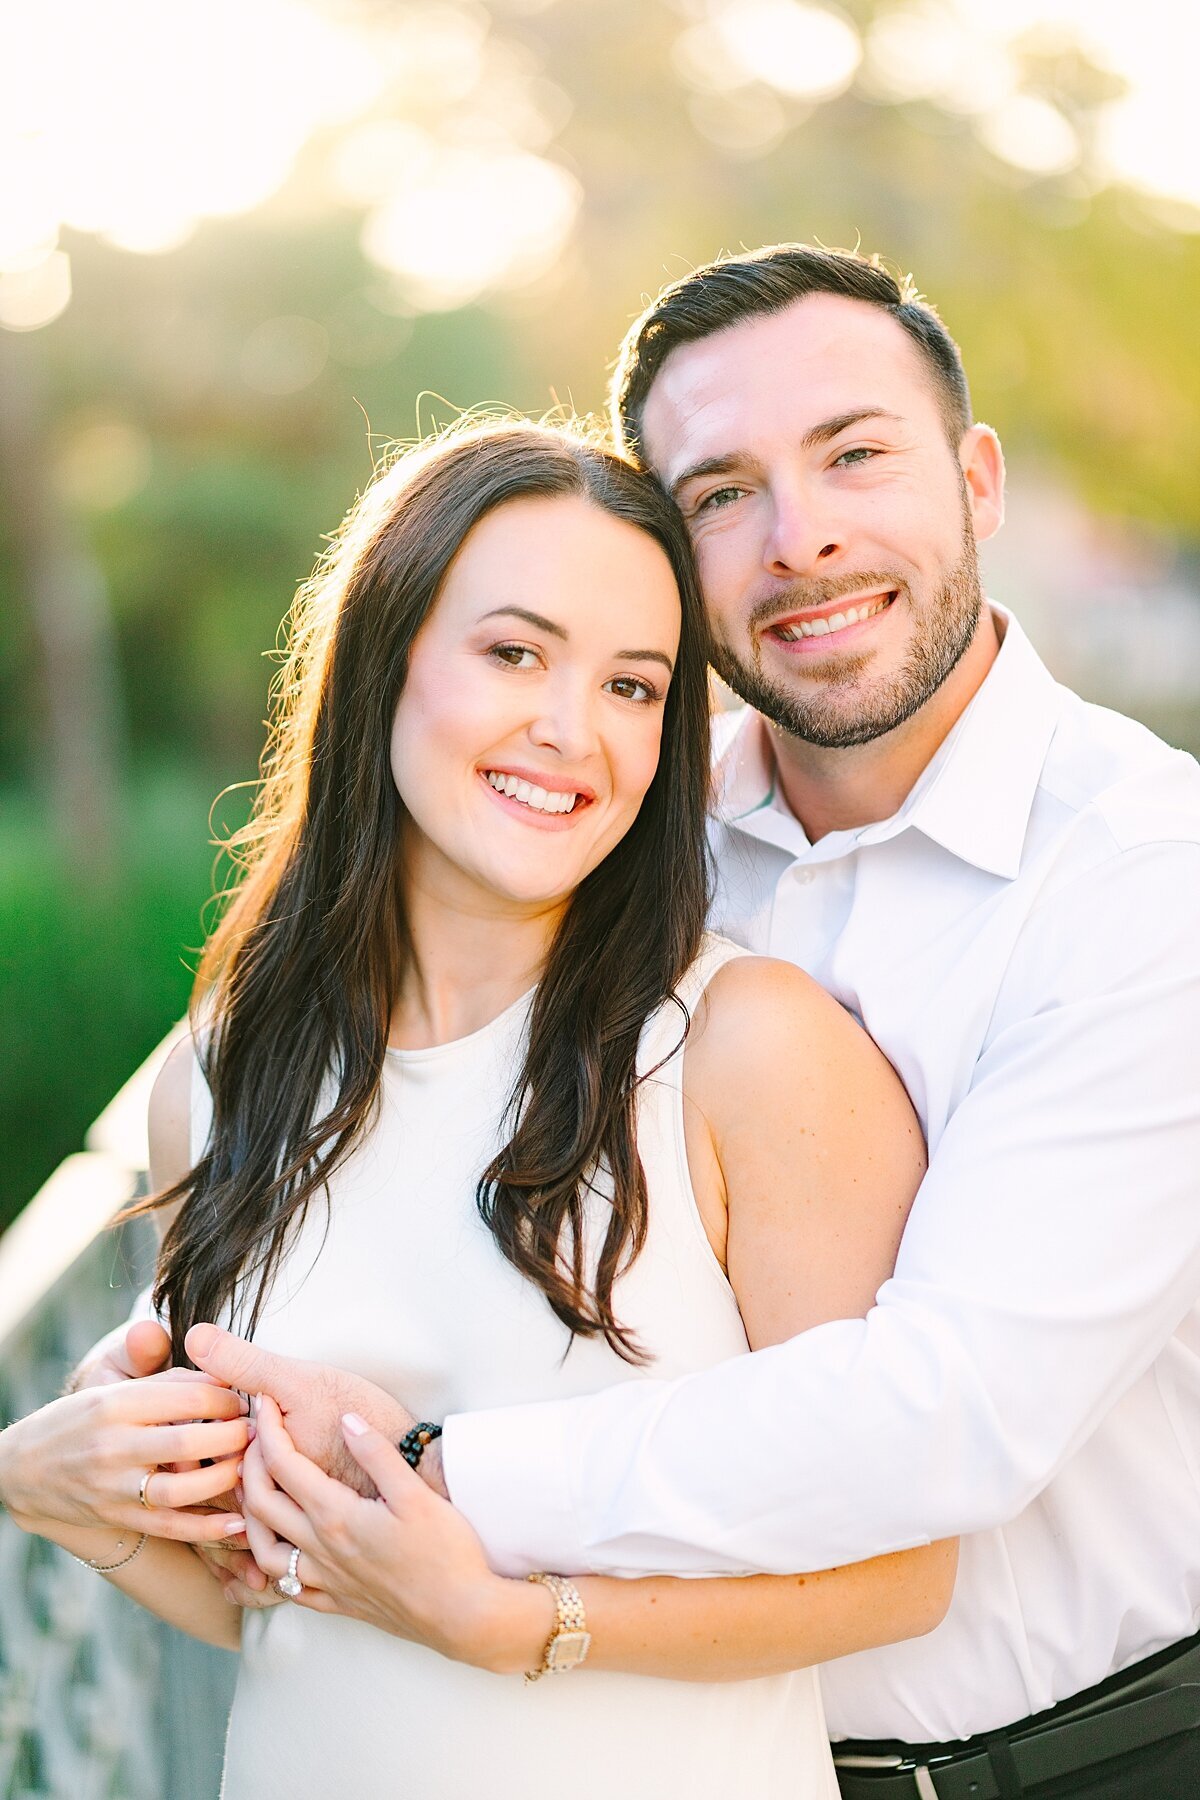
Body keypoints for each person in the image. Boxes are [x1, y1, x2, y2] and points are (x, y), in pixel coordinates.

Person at [126, 245, 1200, 1797]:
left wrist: (427, 1482)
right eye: (721, 494)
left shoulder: (1146, 879)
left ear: (977, 479)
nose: (803, 537)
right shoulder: (611, 828)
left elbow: (945, 1419)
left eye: (855, 455)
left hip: (1082, 1762)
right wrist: (148, 1419)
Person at [0, 418, 945, 1799]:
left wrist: (515, 1624)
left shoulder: (749, 1052)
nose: (573, 731)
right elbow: (270, 1605)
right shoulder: (220, 1077)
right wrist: (59, 1494)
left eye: (634, 685)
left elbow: (899, 1571)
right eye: (515, 652)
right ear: (384, 662)